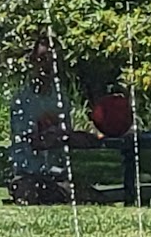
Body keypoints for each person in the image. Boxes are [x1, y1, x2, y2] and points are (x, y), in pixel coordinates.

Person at [8, 37, 98, 205]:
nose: (46, 67)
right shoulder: (22, 100)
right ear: (33, 62)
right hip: (28, 176)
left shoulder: (59, 98)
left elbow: (65, 135)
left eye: (52, 61)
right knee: (28, 193)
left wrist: (81, 137)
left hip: (57, 176)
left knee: (91, 197)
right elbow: (34, 141)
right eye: (42, 60)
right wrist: (62, 137)